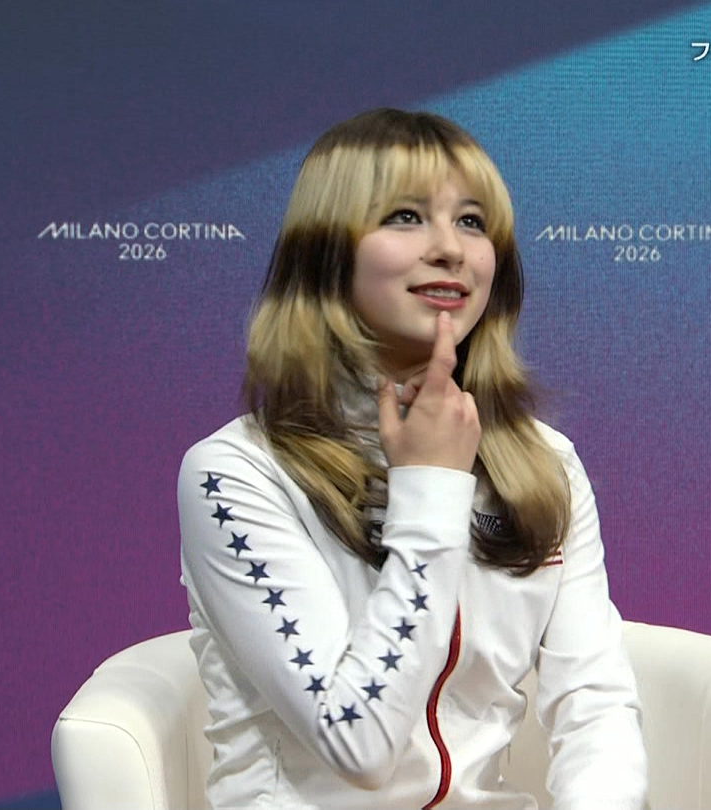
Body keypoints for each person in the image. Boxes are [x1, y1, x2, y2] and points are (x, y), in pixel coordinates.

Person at [177, 108, 648, 809]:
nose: (451, 249)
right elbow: (356, 743)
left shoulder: (544, 463)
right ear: (327, 252)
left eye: (472, 222)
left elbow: (594, 704)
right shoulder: (236, 472)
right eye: (405, 216)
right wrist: (432, 486)